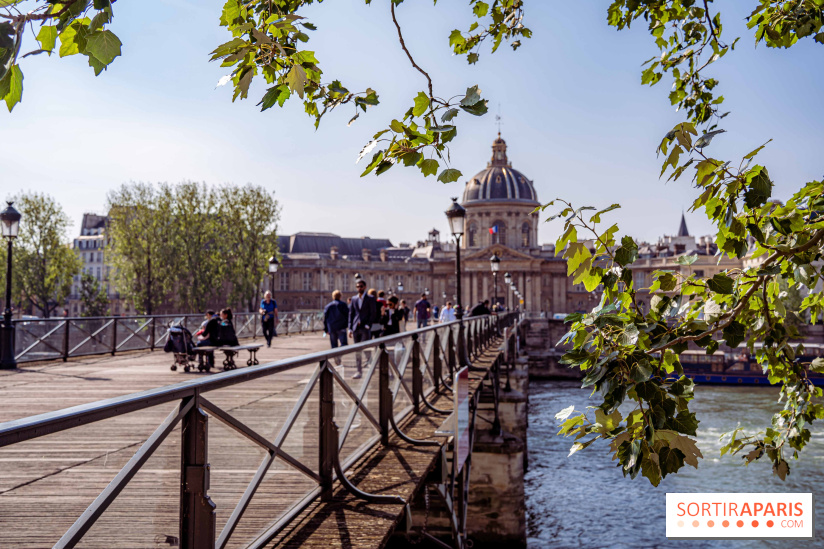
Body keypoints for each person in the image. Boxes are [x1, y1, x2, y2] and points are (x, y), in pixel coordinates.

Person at [348, 278, 378, 379]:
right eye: (357, 286)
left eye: (361, 286)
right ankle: (358, 371)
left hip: (365, 327)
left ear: (365, 287)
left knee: (366, 349)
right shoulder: (354, 299)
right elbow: (351, 314)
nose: (359, 288)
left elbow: (373, 313)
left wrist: (368, 324)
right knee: (357, 350)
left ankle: (371, 366)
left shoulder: (370, 298)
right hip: (356, 327)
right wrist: (350, 328)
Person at [323, 290, 349, 365]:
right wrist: (347, 325)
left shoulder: (328, 306)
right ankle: (339, 355)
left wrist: (326, 329)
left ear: (333, 297)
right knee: (344, 344)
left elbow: (325, 319)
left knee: (334, 345)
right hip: (341, 327)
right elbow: (348, 316)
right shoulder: (343, 305)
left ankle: (336, 359)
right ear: (340, 296)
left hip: (332, 328)